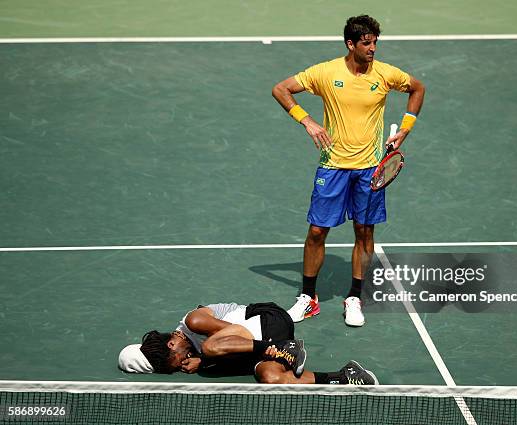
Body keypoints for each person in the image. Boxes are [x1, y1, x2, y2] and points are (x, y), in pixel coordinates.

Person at [272, 15, 426, 327]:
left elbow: (418, 89)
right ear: (350, 44)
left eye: (375, 43)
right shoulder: (326, 72)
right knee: (317, 231)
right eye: (366, 43)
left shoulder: (385, 74)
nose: (372, 49)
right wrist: (307, 120)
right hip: (333, 165)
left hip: (369, 168)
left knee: (364, 231)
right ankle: (308, 298)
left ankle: (355, 296)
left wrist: (405, 129)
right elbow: (281, 89)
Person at [118, 301, 378, 385]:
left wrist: (206, 358)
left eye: (168, 364)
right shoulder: (200, 364)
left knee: (210, 346)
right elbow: (242, 363)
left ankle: (283, 350)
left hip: (269, 320)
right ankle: (346, 376)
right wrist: (206, 365)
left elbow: (238, 332)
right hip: (259, 346)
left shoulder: (193, 321)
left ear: (171, 345)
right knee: (272, 378)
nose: (175, 367)